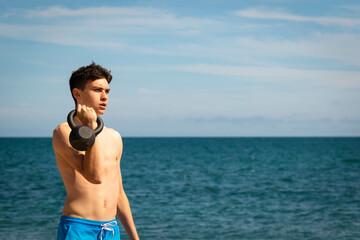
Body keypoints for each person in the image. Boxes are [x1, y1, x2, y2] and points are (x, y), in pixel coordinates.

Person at [52, 62, 139, 240]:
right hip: (79, 228)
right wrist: (91, 128)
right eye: (98, 90)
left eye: (107, 91)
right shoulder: (64, 132)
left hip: (110, 229)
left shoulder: (114, 137)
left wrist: (134, 237)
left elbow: (119, 193)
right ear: (77, 94)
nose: (104, 97)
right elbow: (95, 176)